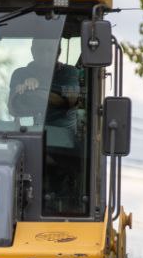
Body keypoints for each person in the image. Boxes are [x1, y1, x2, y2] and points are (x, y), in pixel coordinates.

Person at [10, 38, 89, 214]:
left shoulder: (69, 73)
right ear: (32, 51)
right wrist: (21, 90)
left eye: (49, 51)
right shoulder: (21, 74)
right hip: (29, 140)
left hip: (64, 144)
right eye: (41, 50)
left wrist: (36, 89)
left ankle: (66, 204)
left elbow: (68, 101)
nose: (45, 55)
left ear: (58, 52)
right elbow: (13, 108)